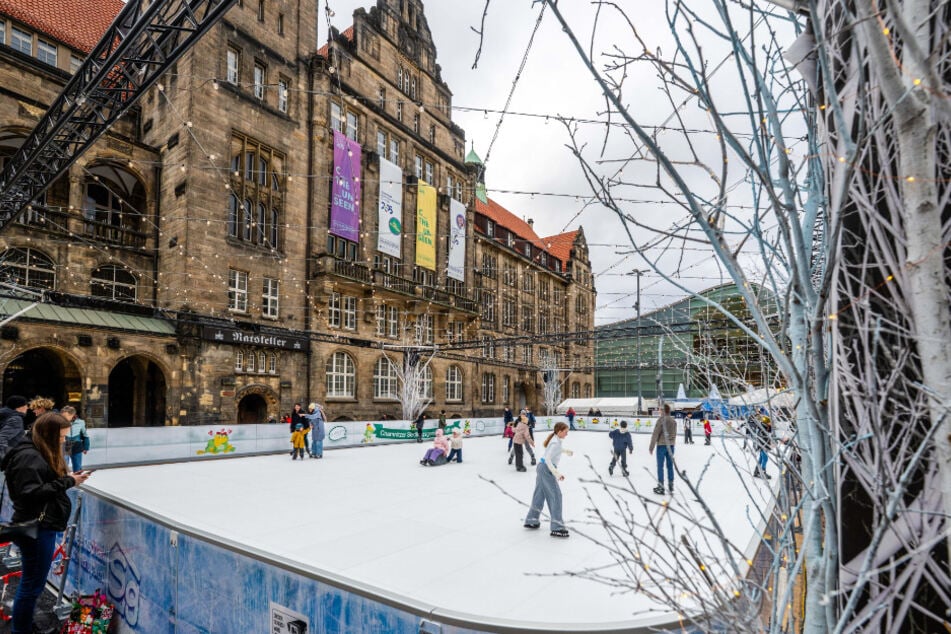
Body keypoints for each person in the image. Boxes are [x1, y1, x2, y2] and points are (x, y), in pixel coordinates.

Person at [1, 413, 91, 634]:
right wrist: (69, 481)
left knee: (33, 584)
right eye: (60, 437)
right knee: (32, 586)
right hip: (36, 527)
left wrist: (67, 478)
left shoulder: (35, 452)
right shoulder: (29, 457)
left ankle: (24, 626)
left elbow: (39, 484)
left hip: (39, 524)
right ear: (49, 434)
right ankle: (22, 630)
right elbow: (30, 494)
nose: (63, 441)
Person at [523, 421, 573, 537]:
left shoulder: (556, 440)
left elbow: (553, 452)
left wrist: (565, 451)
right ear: (559, 431)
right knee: (556, 496)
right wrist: (557, 473)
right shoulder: (555, 442)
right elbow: (548, 459)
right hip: (546, 469)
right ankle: (557, 527)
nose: (567, 434)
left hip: (542, 468)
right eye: (565, 432)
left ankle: (532, 519)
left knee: (539, 496)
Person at [649, 404, 678, 495]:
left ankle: (661, 487)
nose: (659, 411)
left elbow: (655, 434)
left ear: (663, 411)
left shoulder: (661, 420)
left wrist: (651, 446)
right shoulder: (673, 421)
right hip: (671, 446)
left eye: (660, 410)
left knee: (660, 466)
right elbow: (674, 433)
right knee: (670, 466)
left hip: (661, 445)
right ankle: (671, 484)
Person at [0, 395, 28, 461]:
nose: (27, 408)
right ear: (19, 407)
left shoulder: (5, 416)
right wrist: (4, 459)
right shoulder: (16, 419)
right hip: (8, 458)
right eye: (25, 405)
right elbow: (2, 438)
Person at [60, 406, 88, 472]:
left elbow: (84, 435)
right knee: (64, 466)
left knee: (77, 466)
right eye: (62, 415)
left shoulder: (81, 422)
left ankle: (77, 481)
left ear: (72, 415)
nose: (63, 417)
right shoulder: (60, 422)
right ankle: (65, 480)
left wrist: (86, 447)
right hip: (65, 444)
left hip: (77, 445)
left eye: (65, 415)